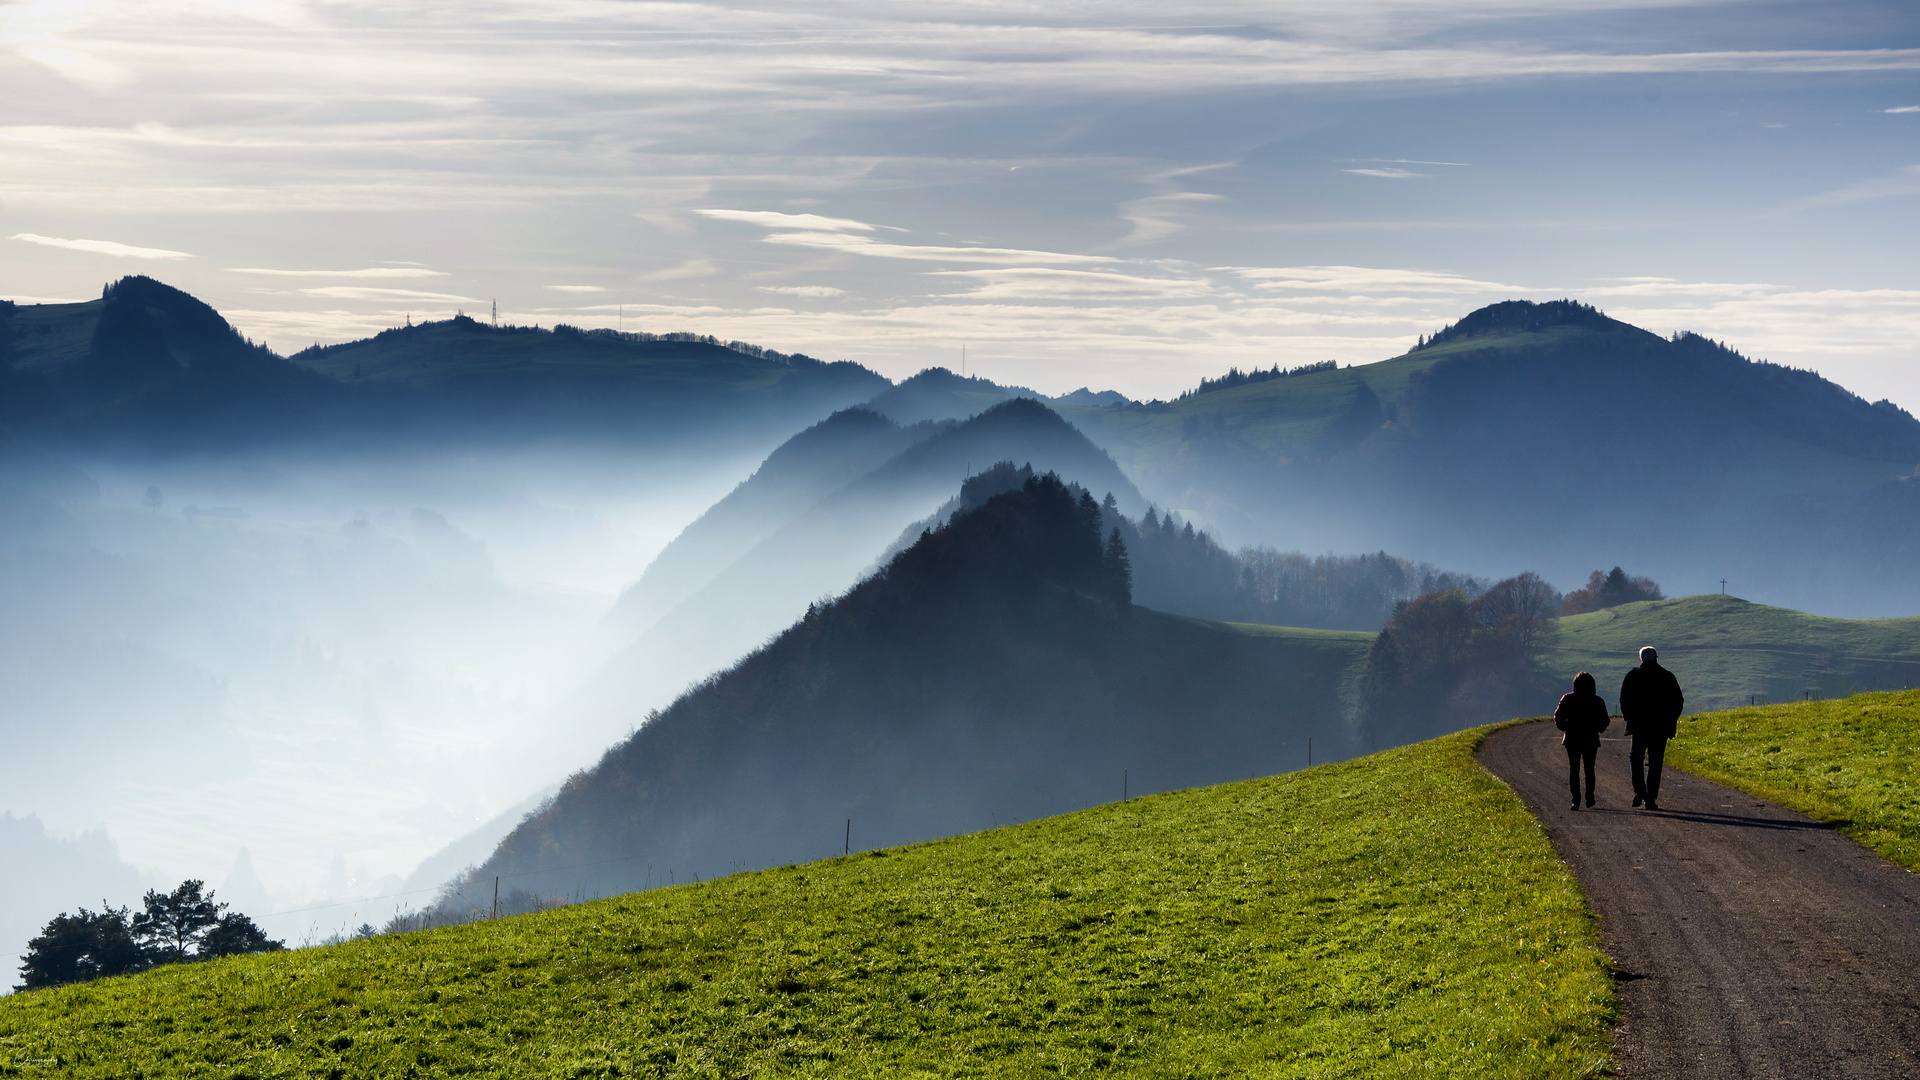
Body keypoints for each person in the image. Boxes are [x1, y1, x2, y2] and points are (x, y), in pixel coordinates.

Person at [1619, 646, 1685, 810]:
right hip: (1660, 727)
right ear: (1656, 658)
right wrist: (1671, 721)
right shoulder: (1667, 676)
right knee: (1655, 762)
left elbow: (1624, 699)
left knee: (1636, 759)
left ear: (1641, 659)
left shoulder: (1632, 676)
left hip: (1639, 726)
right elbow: (1678, 701)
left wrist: (1629, 718)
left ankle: (1639, 791)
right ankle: (1650, 797)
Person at [1553, 671, 1610, 810]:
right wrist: (1598, 729)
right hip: (1590, 738)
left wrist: (1565, 728)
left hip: (1572, 738)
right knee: (1589, 769)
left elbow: (1558, 717)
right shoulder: (1597, 701)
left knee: (1574, 769)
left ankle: (1575, 800)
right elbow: (1605, 720)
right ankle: (1589, 797)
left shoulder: (1567, 699)